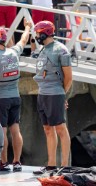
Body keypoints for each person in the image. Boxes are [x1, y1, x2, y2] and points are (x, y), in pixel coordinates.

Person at [0, 20, 32, 172]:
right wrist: (28, 26)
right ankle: (17, 161)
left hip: (0, 99)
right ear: (5, 40)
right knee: (15, 130)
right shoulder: (14, 52)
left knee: (2, 131)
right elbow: (23, 40)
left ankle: (3, 162)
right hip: (15, 97)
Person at [32, 21, 72, 175]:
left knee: (61, 128)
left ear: (44, 33)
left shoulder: (60, 50)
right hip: (42, 94)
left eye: (37, 33)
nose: (36, 37)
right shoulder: (43, 50)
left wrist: (63, 96)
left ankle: (65, 165)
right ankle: (51, 165)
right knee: (48, 129)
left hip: (55, 94)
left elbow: (68, 77)